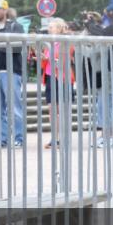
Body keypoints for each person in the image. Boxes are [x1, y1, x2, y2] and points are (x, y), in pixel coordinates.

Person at [0, 0, 26, 148]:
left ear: (5, 10)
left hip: (11, 72)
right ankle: (2, 140)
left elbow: (16, 48)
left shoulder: (15, 26)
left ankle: (19, 138)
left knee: (15, 107)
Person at [41, 18, 74, 149]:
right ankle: (55, 138)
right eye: (49, 27)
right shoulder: (50, 43)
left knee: (62, 110)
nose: (49, 29)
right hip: (50, 77)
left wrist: (48, 58)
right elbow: (48, 63)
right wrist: (42, 58)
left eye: (52, 27)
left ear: (60, 29)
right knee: (52, 110)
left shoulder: (66, 42)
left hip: (63, 78)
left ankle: (64, 138)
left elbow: (63, 61)